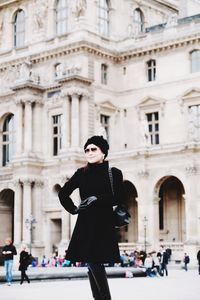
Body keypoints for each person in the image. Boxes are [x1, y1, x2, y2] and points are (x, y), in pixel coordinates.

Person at [58, 135, 126, 300]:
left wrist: (98, 198)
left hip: (103, 222)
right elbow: (63, 193)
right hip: (86, 222)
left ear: (103, 152)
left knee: (94, 262)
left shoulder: (114, 173)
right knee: (91, 263)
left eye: (93, 149)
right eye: (87, 150)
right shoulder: (81, 173)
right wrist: (73, 209)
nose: (89, 152)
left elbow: (119, 198)